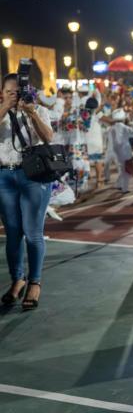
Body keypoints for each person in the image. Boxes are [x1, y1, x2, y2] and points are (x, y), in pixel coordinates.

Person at [0, 73, 54, 310]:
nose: (14, 96)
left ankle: (35, 282)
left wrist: (30, 111)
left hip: (33, 176)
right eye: (9, 92)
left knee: (32, 233)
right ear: (2, 92)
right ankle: (17, 279)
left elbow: (48, 137)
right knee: (12, 234)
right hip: (4, 176)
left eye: (18, 92)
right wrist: (4, 108)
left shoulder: (38, 110)